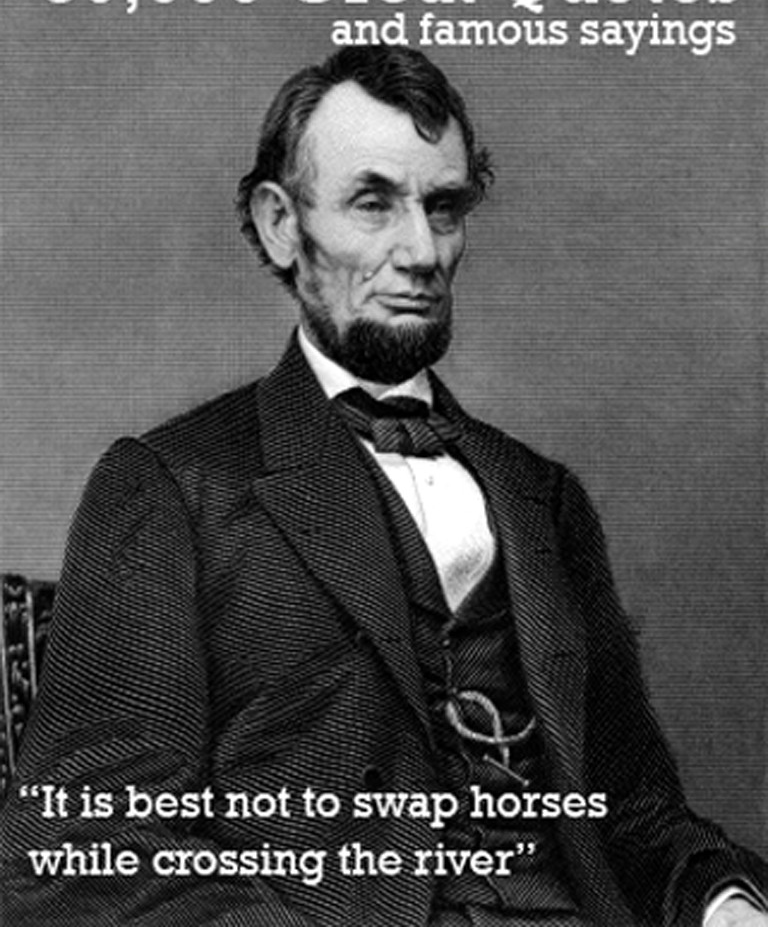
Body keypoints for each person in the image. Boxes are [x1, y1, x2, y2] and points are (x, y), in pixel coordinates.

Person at [1, 46, 765, 927]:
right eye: (374, 204)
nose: (422, 251)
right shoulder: (176, 487)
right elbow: (82, 848)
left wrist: (723, 902)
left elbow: (633, 815)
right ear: (281, 224)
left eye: (444, 208)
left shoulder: (543, 498)